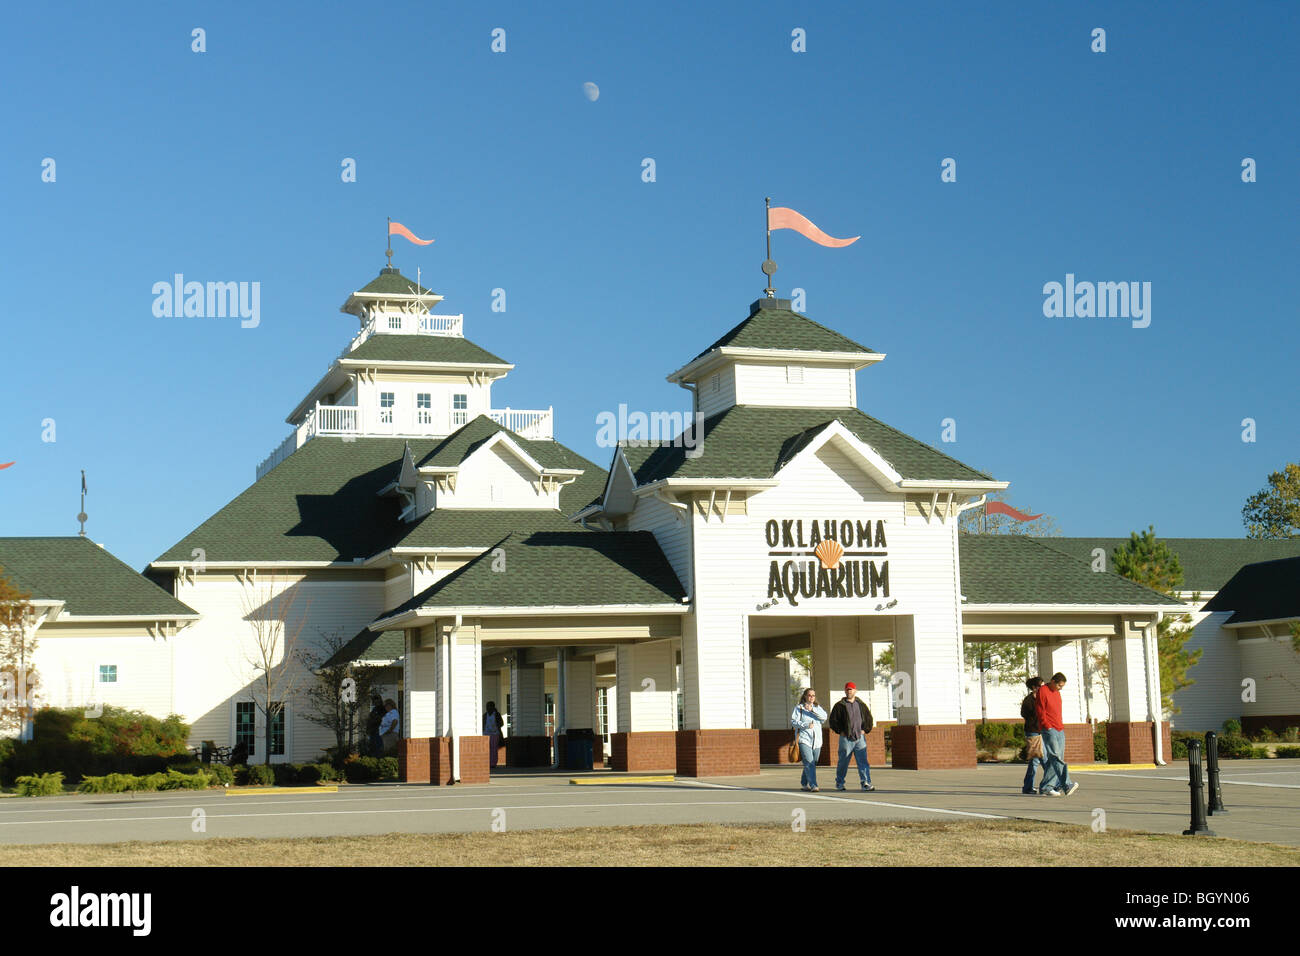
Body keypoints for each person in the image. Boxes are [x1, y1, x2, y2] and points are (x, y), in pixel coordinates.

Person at [1036, 672, 1079, 797]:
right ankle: (1066, 784)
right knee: (1055, 756)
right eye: (1059, 685)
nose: (1060, 688)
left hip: (1059, 728)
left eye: (1062, 686)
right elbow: (1040, 710)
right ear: (1053, 681)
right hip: (1049, 729)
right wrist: (1046, 725)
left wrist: (1060, 725)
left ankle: (1046, 787)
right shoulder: (1043, 691)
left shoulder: (1057, 693)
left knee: (1054, 758)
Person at [828, 681, 875, 792]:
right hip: (846, 739)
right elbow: (833, 721)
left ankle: (866, 783)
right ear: (845, 691)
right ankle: (839, 783)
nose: (849, 691)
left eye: (851, 689)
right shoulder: (839, 706)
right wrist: (840, 731)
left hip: (860, 738)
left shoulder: (861, 705)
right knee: (843, 762)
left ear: (855, 690)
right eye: (847, 689)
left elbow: (869, 719)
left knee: (863, 762)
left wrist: (865, 730)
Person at [790, 688, 828, 792]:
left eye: (813, 695)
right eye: (809, 695)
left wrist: (812, 710)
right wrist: (805, 725)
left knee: (813, 762)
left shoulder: (817, 708)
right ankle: (813, 785)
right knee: (809, 762)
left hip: (817, 741)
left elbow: (824, 718)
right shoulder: (799, 708)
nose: (811, 697)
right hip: (804, 739)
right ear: (805, 696)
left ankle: (804, 783)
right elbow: (793, 722)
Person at [1020, 676, 1046, 794]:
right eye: (1040, 686)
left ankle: (1029, 786)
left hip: (1042, 731)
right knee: (1040, 759)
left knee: (1039, 760)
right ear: (1034, 687)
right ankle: (1050, 784)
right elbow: (1025, 714)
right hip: (1033, 732)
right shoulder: (1029, 700)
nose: (1042, 688)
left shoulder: (1042, 698)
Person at [484, 701, 505, 770]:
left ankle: (493, 763)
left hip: (495, 734)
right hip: (486, 734)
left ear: (493, 707)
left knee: (494, 749)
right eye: (487, 706)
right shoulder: (485, 715)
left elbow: (501, 723)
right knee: (487, 749)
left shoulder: (496, 714)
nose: (487, 708)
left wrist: (496, 726)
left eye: (489, 706)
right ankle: (487, 762)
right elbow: (482, 724)